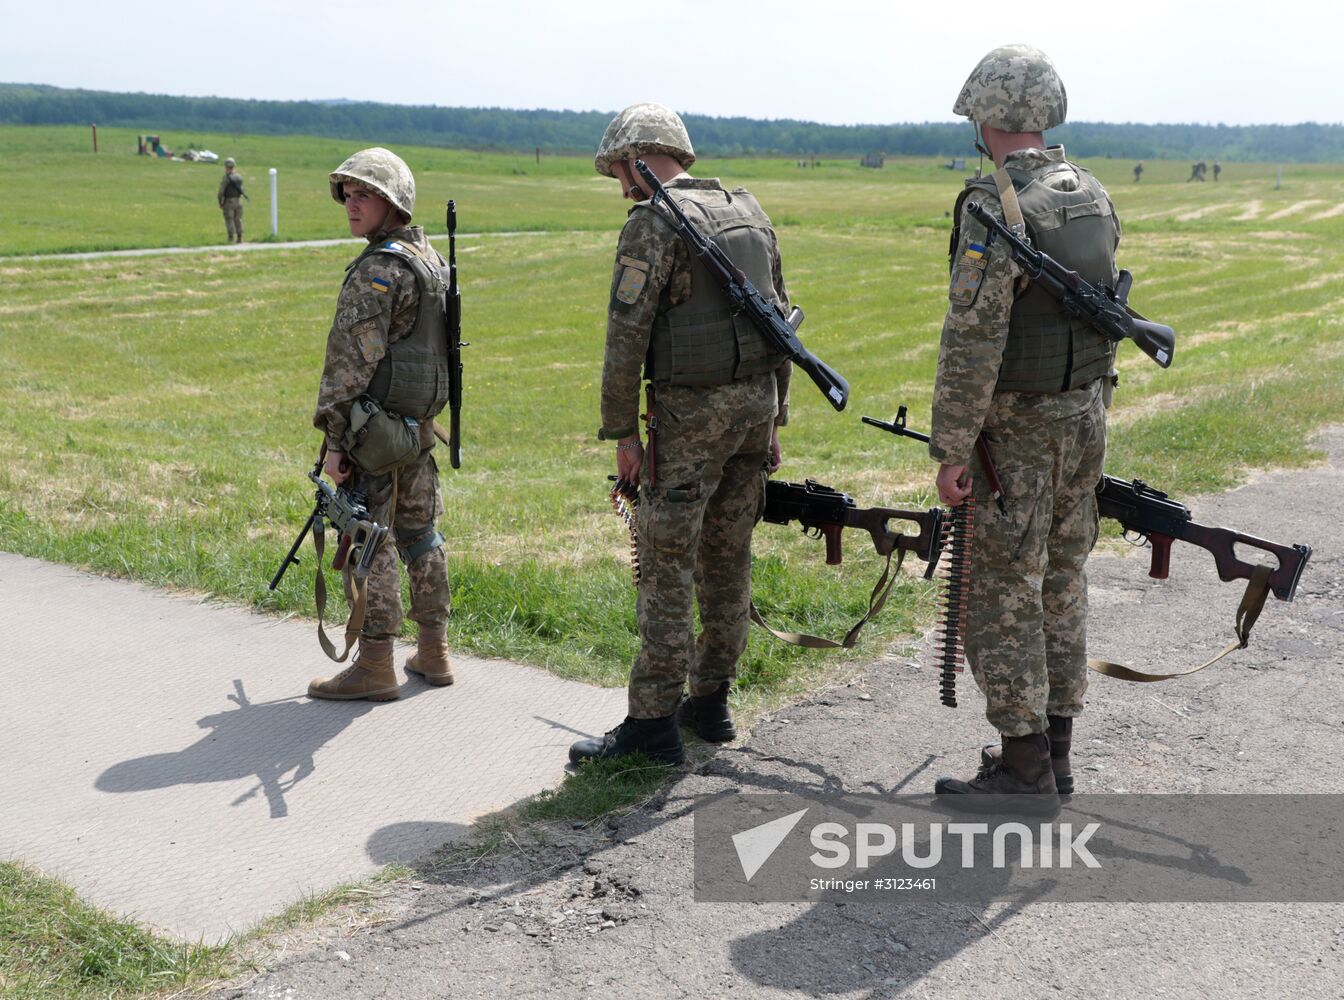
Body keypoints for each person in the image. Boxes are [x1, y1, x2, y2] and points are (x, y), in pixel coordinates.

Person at [569, 103, 792, 766]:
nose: (620, 187)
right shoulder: (746, 209)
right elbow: (782, 320)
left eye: (619, 171)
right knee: (728, 557)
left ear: (638, 158)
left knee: (667, 566)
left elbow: (625, 337)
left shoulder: (653, 222)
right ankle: (711, 700)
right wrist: (775, 418)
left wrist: (622, 433)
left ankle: (652, 722)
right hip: (753, 410)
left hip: (690, 421)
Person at [929, 45, 1119, 812]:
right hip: (1084, 416)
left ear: (985, 115)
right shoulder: (1091, 193)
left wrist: (951, 449)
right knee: (1063, 580)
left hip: (1018, 432)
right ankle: (1056, 758)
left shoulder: (995, 205)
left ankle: (1022, 769)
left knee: (1003, 589)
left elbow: (972, 340)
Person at [307, 147, 454, 702]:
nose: (351, 203)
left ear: (393, 202)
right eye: (347, 194)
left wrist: (335, 443)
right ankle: (434, 650)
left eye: (364, 194)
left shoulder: (379, 270)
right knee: (422, 534)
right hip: (418, 429)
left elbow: (348, 366)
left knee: (372, 539)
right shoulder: (429, 260)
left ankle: (375, 664)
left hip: (376, 435)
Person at [218, 157, 245, 243]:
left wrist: (220, 202)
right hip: (239, 201)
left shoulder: (226, 178)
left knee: (229, 219)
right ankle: (240, 237)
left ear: (226, 166)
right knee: (238, 219)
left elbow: (221, 192)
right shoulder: (239, 177)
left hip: (229, 202)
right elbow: (242, 190)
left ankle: (231, 238)